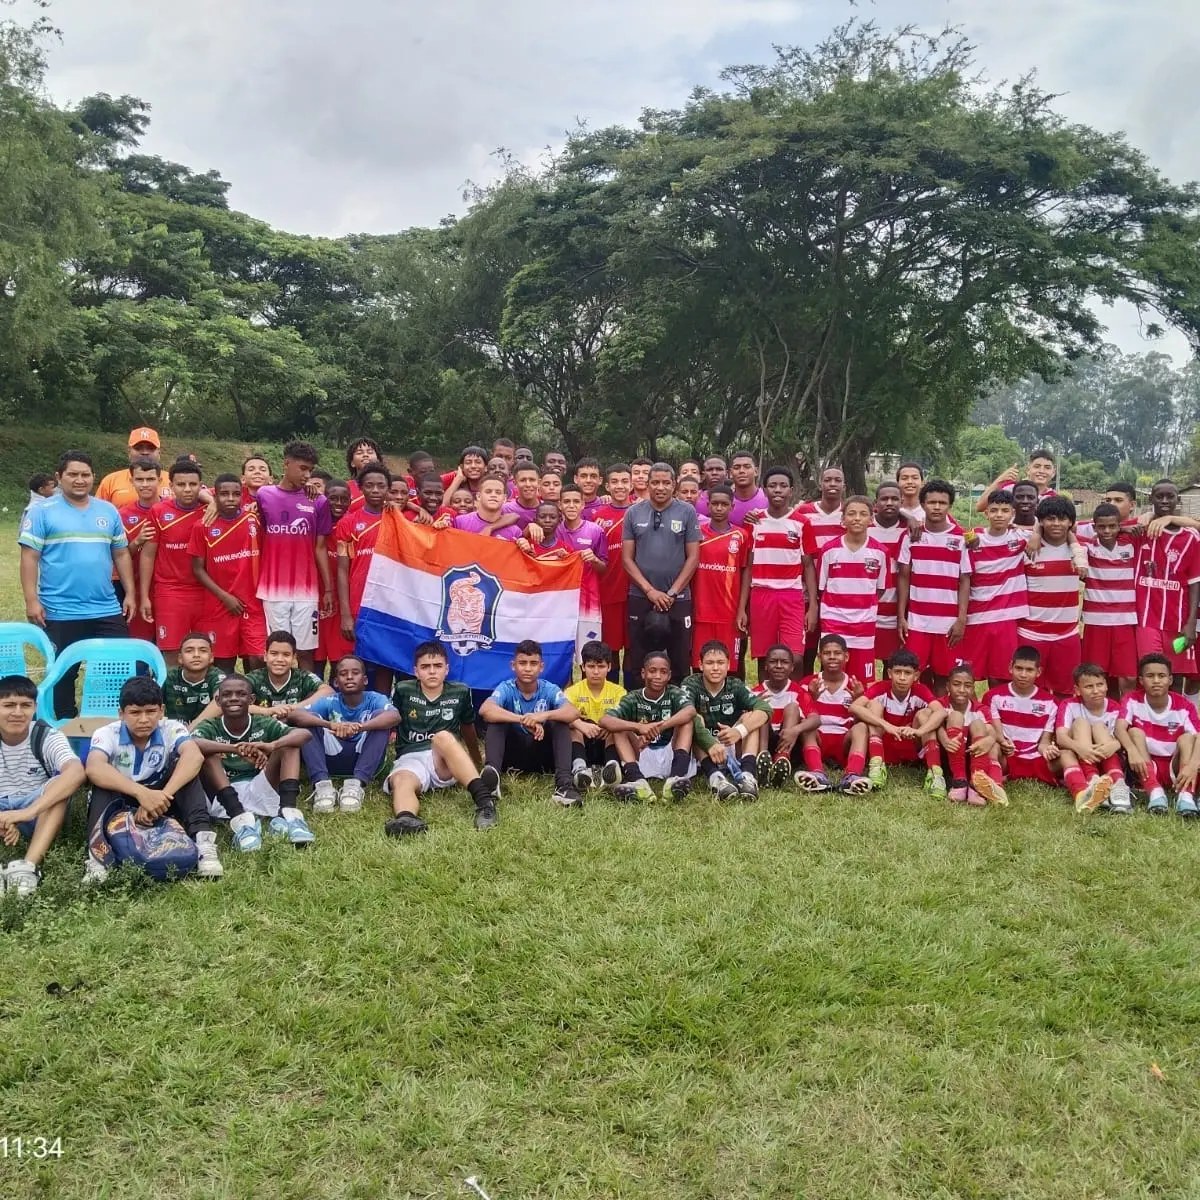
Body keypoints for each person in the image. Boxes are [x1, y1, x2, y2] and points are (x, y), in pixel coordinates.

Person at [19, 450, 135, 719]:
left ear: (93, 477)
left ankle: (110, 722)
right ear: (59, 477)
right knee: (63, 672)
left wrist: (130, 592)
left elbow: (120, 553)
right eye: (73, 474)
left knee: (116, 668)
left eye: (85, 474)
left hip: (106, 607)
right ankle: (65, 725)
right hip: (60, 609)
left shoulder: (107, 511)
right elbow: (29, 557)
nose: (80, 480)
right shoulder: (41, 512)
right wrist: (31, 600)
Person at [83, 676, 223, 883]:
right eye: (135, 713)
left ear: (162, 711)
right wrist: (142, 795)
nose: (143, 719)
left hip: (163, 795)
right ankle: (97, 856)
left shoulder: (171, 728)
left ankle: (203, 843)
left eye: (150, 711)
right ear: (121, 714)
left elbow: (195, 756)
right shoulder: (107, 733)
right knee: (101, 783)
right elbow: (94, 767)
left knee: (186, 770)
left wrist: (160, 798)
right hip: (123, 798)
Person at [192, 675, 314, 849]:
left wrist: (272, 745)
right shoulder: (210, 726)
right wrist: (236, 748)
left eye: (241, 694)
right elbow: (192, 743)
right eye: (227, 694)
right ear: (218, 701)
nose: (234, 698)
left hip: (260, 788)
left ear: (251, 699)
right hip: (224, 794)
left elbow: (304, 735)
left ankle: (289, 815)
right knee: (205, 753)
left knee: (289, 744)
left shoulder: (262, 722)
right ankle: (240, 820)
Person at [0, 675, 85, 897]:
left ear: (35, 707)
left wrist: (26, 813)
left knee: (59, 787)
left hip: (36, 808)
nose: (17, 712)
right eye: (9, 705)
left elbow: (76, 772)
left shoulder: (45, 735)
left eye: (25, 705)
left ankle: (28, 867)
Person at [255, 441, 334, 673]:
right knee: (278, 650)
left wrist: (327, 589)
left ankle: (308, 703)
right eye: (302, 468)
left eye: (310, 469)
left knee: (305, 652)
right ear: (286, 464)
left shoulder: (317, 501)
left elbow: (320, 548)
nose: (307, 474)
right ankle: (278, 700)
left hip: (306, 591)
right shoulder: (263, 495)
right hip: (273, 590)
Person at [288, 655, 399, 814]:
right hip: (331, 758)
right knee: (309, 721)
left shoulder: (375, 698)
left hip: (363, 758)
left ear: (365, 680)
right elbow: (295, 716)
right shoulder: (329, 700)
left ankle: (357, 784)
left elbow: (395, 717)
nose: (349, 677)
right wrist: (330, 724)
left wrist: (359, 727)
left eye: (355, 673)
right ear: (335, 681)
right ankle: (322, 785)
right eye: (343, 673)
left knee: (382, 718)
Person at [477, 640, 582, 808]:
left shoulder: (549, 688)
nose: (527, 668)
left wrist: (543, 716)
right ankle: (491, 780)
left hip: (543, 757)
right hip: (512, 758)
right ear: (513, 665)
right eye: (522, 663)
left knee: (560, 721)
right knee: (497, 720)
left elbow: (573, 712)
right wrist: (522, 719)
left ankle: (564, 786)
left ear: (541, 667)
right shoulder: (506, 688)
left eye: (533, 663)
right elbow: (485, 710)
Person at [622, 463, 701, 684]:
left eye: (666, 482)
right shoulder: (633, 512)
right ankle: (637, 705)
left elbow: (693, 557)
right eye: (655, 482)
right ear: (647, 485)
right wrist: (650, 591)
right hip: (640, 595)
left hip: (678, 597)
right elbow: (627, 559)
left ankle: (678, 707)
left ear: (674, 485)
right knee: (639, 655)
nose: (660, 487)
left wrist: (672, 592)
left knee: (679, 658)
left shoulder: (687, 512)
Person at [738, 466, 814, 678]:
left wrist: (813, 605)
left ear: (791, 490)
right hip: (761, 595)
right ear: (764, 490)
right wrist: (742, 607)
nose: (778, 490)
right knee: (765, 658)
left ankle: (795, 702)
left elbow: (808, 565)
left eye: (783, 486)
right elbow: (749, 567)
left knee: (795, 657)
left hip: (791, 596)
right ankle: (766, 707)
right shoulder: (754, 522)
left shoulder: (801, 522)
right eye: (772, 486)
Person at [896, 479, 971, 694]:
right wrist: (902, 616)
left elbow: (964, 579)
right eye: (931, 502)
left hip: (947, 624)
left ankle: (938, 721)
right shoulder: (911, 536)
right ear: (923, 504)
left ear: (950, 506)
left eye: (942, 503)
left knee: (943, 677)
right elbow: (903, 577)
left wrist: (961, 619)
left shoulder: (961, 538)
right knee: (912, 675)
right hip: (918, 621)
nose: (937, 507)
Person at [188, 472, 266, 671]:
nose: (230, 499)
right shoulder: (202, 526)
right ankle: (227, 700)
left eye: (236, 494)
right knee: (223, 662)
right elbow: (197, 569)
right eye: (224, 494)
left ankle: (255, 700)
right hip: (219, 603)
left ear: (243, 495)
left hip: (252, 603)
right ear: (215, 497)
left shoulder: (254, 519)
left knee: (257, 658)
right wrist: (224, 596)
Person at [599, 650, 697, 801]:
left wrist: (660, 727)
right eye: (652, 671)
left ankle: (674, 779)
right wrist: (638, 728)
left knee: (687, 721)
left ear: (669, 675)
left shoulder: (674, 693)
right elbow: (605, 720)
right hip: (642, 754)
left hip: (670, 755)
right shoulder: (633, 697)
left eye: (663, 672)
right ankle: (638, 781)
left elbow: (690, 711)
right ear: (643, 673)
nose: (657, 676)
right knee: (619, 728)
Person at [136, 457, 207, 666]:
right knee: (171, 652)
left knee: (204, 652)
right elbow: (148, 554)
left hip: (205, 591)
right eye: (181, 484)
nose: (187, 489)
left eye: (193, 484)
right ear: (171, 486)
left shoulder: (209, 510)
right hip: (170, 592)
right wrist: (145, 596)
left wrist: (211, 502)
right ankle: (171, 697)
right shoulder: (159, 512)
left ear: (200, 486)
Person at [682, 640, 771, 800]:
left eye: (720, 663)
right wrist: (710, 743)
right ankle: (715, 778)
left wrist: (739, 731)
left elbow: (765, 709)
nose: (715, 668)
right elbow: (684, 712)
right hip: (704, 748)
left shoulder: (735, 685)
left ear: (728, 665)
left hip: (730, 742)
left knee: (750, 716)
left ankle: (748, 776)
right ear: (700, 665)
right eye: (709, 663)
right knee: (694, 717)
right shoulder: (691, 684)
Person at [1134, 479, 1200, 693]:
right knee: (1149, 672)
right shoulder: (1140, 531)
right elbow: (1110, 526)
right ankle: (1148, 722)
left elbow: (1194, 583)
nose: (1164, 500)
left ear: (1177, 500)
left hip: (1178, 622)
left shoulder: (1191, 538)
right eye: (1159, 496)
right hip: (1146, 619)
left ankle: (1176, 721)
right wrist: (1146, 518)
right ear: (1150, 498)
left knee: (1175, 674)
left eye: (1169, 496)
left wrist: (1191, 623)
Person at [815, 496, 890, 684]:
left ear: (871, 519)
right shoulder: (829, 550)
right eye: (852, 513)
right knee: (832, 675)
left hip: (864, 625)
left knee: (862, 681)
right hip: (834, 621)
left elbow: (879, 589)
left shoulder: (881, 552)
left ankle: (858, 713)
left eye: (863, 514)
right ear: (843, 519)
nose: (857, 518)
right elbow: (822, 587)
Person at [959, 490, 1030, 687]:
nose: (999, 515)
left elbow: (1054, 528)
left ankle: (995, 714)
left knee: (1000, 675)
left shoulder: (1021, 537)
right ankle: (975, 715)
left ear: (1012, 514)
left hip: (1006, 618)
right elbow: (965, 577)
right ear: (986, 514)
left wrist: (1037, 533)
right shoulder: (973, 540)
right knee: (966, 675)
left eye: (1005, 510)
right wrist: (962, 617)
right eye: (995, 510)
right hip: (977, 617)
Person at [851, 648, 945, 792]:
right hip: (885, 741)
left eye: (907, 673)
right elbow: (854, 707)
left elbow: (941, 712)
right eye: (897, 672)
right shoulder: (881, 688)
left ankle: (936, 774)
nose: (902, 677)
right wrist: (886, 725)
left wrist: (919, 731)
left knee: (926, 714)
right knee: (873, 705)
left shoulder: (920, 690)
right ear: (889, 673)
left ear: (916, 675)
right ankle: (877, 764)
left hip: (911, 743)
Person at [1116, 654, 1199, 816]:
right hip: (1145, 764)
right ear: (1141, 680)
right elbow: (1119, 728)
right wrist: (1132, 751)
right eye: (1150, 676)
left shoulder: (1184, 705)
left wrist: (1192, 765)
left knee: (1188, 738)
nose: (1156, 680)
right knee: (1134, 732)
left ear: (1170, 680)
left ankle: (1186, 796)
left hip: (1176, 766)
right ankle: (1154, 792)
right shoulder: (1132, 699)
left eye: (1161, 676)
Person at [1019, 497, 1083, 699]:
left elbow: (1115, 526)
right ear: (1041, 521)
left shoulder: (1082, 550)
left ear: (1071, 522)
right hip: (1031, 633)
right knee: (1031, 691)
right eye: (1050, 519)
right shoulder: (1027, 548)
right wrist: (1035, 533)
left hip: (1067, 634)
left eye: (1062, 519)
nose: (1056, 524)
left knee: (1066, 691)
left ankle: (1060, 729)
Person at [333, 463, 391, 689]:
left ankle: (383, 712)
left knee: (386, 661)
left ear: (388, 488)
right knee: (362, 661)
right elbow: (342, 569)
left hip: (389, 605)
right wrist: (346, 614)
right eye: (369, 485)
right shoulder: (348, 523)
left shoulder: (397, 520)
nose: (375, 490)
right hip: (360, 605)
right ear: (360, 488)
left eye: (381, 485)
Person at [794, 634, 871, 794]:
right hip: (818, 739)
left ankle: (851, 776)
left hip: (844, 742)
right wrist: (812, 698)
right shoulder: (808, 683)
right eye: (827, 653)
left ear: (846, 656)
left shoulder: (855, 685)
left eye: (837, 653)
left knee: (862, 727)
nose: (832, 657)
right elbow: (799, 716)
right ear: (819, 657)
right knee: (808, 727)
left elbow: (862, 720)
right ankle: (817, 773)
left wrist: (858, 700)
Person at [1080, 502, 1139, 695]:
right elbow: (1065, 530)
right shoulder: (1087, 546)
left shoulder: (1131, 543)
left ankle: (1126, 717)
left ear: (1119, 525)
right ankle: (1106, 717)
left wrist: (1127, 528)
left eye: (1112, 526)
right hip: (1096, 621)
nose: (1107, 531)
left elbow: (1151, 521)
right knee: (1098, 675)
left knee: (1129, 676)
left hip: (1126, 620)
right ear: (1094, 527)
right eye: (1101, 526)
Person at [982, 646, 1060, 788]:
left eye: (1029, 670)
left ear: (1038, 672)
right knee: (992, 747)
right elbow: (995, 732)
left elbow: (1044, 742)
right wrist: (1003, 743)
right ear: (1010, 667)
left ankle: (1082, 786)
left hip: (1037, 758)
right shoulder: (993, 696)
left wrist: (1047, 749)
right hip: (1007, 757)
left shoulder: (1050, 702)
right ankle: (995, 786)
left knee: (1066, 756)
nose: (1023, 674)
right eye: (1019, 668)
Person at [1055, 663, 1127, 814]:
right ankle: (1092, 780)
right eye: (1088, 687)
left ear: (1107, 685)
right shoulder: (1069, 704)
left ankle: (1118, 785)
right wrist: (1080, 748)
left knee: (1100, 727)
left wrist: (1115, 744)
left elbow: (1123, 735)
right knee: (1081, 723)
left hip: (1107, 756)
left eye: (1100, 684)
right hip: (1081, 755)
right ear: (1077, 690)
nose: (1095, 691)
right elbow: (1061, 737)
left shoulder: (1116, 708)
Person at [691, 484, 750, 671]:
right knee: (700, 665)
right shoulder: (696, 532)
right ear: (707, 505)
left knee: (731, 666)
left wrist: (742, 609)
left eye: (724, 504)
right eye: (714, 503)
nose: (718, 508)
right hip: (700, 611)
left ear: (732, 507)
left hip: (729, 612)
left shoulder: (742, 535)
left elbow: (746, 573)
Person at [938, 664, 1007, 806]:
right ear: (947, 686)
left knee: (979, 726)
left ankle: (979, 785)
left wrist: (989, 740)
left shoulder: (981, 709)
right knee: (955, 716)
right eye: (956, 684)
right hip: (948, 754)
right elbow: (935, 726)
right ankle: (959, 782)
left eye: (967, 685)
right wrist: (945, 740)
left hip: (974, 755)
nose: (962, 690)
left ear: (973, 688)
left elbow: (990, 730)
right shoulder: (940, 704)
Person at [593, 463, 636, 685]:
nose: (620, 486)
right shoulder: (597, 517)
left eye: (624, 481)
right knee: (609, 648)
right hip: (607, 592)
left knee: (632, 647)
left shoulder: (642, 511)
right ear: (607, 486)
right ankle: (610, 693)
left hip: (634, 592)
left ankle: (629, 692)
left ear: (632, 484)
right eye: (615, 482)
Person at [117, 457, 167, 643]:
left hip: (171, 590)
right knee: (141, 645)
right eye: (139, 479)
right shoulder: (122, 515)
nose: (145, 484)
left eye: (150, 479)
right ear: (131, 481)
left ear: (160, 480)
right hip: (138, 589)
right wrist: (137, 541)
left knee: (170, 647)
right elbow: (120, 557)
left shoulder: (173, 509)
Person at [750, 644, 815, 787]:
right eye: (773, 662)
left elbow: (815, 719)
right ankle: (763, 760)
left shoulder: (798, 692)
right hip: (764, 740)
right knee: (762, 709)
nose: (779, 666)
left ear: (792, 667)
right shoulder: (755, 693)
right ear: (766, 666)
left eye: (784, 662)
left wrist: (795, 730)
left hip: (790, 742)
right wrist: (752, 708)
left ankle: (782, 758)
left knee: (792, 708)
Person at [565, 640, 625, 790]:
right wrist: (581, 724)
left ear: (610, 667)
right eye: (591, 666)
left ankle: (612, 768)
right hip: (582, 743)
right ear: (583, 667)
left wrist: (610, 725)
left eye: (601, 666)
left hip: (607, 741)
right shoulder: (573, 691)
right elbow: (563, 713)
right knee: (573, 725)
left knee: (617, 728)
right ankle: (580, 769)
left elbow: (623, 716)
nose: (596, 672)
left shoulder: (619, 692)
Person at [559, 482, 608, 657]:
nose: (571, 505)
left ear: (582, 504)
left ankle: (586, 685)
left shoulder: (595, 531)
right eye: (566, 501)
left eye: (575, 501)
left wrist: (594, 559)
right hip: (561, 603)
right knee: (562, 655)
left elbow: (603, 568)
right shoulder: (554, 531)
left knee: (589, 653)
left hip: (588, 601)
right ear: (560, 504)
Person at [314, 480, 352, 681]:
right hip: (316, 598)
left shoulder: (350, 527)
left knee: (340, 656)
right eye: (333, 498)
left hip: (342, 601)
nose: (338, 503)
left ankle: (338, 703)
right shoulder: (314, 524)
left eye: (344, 499)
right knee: (316, 658)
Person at [246, 631, 332, 715]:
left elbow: (328, 691)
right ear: (265, 656)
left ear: (294, 658)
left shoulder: (302, 677)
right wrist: (269, 711)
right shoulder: (255, 677)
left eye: (286, 655)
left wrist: (294, 708)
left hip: (297, 726)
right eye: (274, 654)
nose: (279, 659)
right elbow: (235, 704)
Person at [870, 483, 907, 668]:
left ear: (902, 502)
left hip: (895, 611)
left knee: (892, 664)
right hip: (867, 611)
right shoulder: (863, 525)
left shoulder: (911, 530)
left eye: (894, 499)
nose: (889, 503)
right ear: (875, 503)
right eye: (884, 499)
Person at [95, 427, 172, 508]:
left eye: (150, 448)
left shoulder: (173, 480)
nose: (145, 452)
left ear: (159, 452)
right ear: (129, 452)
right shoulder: (111, 481)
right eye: (138, 448)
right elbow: (98, 512)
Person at [162, 633, 224, 726]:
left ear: (211, 657)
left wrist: (193, 727)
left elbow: (223, 700)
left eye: (203, 651)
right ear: (180, 658)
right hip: (174, 732)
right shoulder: (168, 677)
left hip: (208, 732)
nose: (196, 655)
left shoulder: (217, 676)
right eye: (189, 651)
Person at [977, 449, 1057, 512]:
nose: (1041, 471)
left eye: (1047, 468)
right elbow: (980, 507)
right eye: (1037, 466)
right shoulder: (1011, 489)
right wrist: (1000, 480)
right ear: (1028, 470)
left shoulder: (1054, 499)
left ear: (1053, 473)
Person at [698, 451, 765, 526]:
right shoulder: (720, 503)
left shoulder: (768, 500)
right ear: (730, 473)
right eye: (737, 467)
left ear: (756, 471)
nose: (742, 471)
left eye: (747, 467)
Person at [793, 466, 846, 557]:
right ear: (820, 485)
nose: (832, 484)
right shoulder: (803, 511)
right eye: (827, 480)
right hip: (810, 569)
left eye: (838, 480)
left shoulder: (850, 513)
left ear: (844, 487)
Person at [453, 473, 521, 539]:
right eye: (488, 491)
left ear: (504, 498)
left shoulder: (515, 532)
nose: (493, 495)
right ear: (478, 496)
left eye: (498, 492)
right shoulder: (460, 522)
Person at [502, 462, 543, 531]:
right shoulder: (505, 509)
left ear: (539, 483)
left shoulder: (548, 510)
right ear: (515, 484)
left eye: (532, 480)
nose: (528, 484)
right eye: (523, 480)